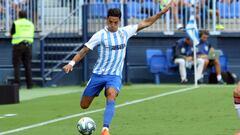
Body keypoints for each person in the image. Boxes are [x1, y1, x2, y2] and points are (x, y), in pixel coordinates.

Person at [63, 4, 172, 135]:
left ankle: (105, 129)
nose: (112, 25)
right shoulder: (100, 35)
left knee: (111, 95)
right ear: (106, 20)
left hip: (114, 75)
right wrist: (71, 63)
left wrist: (161, 13)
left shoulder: (125, 32)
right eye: (110, 22)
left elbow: (146, 22)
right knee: (84, 105)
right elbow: (84, 50)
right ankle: (96, 93)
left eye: (115, 22)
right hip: (98, 74)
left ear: (119, 21)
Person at [10, 10, 34, 89]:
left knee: (17, 65)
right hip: (28, 46)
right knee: (28, 65)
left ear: (18, 15)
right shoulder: (30, 23)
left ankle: (17, 84)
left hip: (18, 46)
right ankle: (29, 84)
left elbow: (11, 34)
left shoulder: (16, 23)